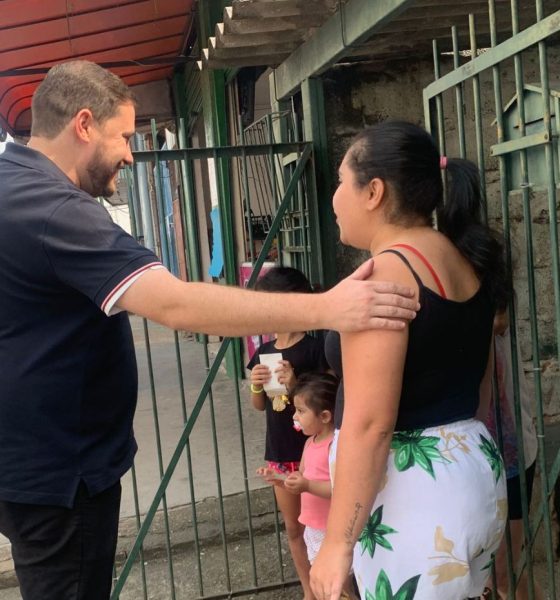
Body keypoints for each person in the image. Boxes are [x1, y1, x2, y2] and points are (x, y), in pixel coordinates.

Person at [0, 61, 420, 600]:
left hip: (25, 459)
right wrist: (329, 307)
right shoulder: (55, 208)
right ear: (83, 124)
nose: (130, 153)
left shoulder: (11, 181)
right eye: (123, 136)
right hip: (59, 472)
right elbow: (173, 304)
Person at [310, 121, 509, 600]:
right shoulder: (460, 260)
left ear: (373, 191)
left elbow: (370, 424)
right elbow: (479, 389)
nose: (335, 198)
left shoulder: (386, 275)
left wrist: (336, 544)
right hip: (471, 473)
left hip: (413, 503)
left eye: (340, 182)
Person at [248, 267, 329, 600]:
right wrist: (255, 385)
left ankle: (334, 586)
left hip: (315, 452)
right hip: (281, 451)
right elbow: (259, 405)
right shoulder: (262, 351)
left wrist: (296, 383)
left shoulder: (314, 348)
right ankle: (309, 590)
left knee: (322, 523)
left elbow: (328, 397)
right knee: (294, 526)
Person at [479, 310, 542, 600]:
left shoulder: (488, 282)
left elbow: (499, 319)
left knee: (502, 573)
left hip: (509, 456)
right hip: (465, 462)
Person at [284, 372, 357, 600]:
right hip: (314, 528)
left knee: (339, 588)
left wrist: (306, 485)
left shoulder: (336, 446)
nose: (295, 417)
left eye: (301, 411)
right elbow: (303, 476)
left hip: (332, 528)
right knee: (326, 586)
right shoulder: (309, 442)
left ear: (325, 415)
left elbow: (339, 489)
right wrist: (281, 478)